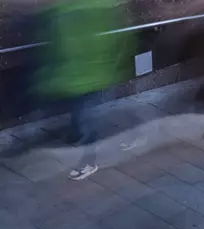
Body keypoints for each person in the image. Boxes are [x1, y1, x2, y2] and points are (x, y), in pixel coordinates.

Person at [35, 0, 135, 180]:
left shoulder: (90, 8)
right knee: (83, 114)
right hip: (78, 75)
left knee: (87, 119)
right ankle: (81, 137)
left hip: (90, 75)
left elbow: (116, 37)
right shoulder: (69, 9)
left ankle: (88, 161)